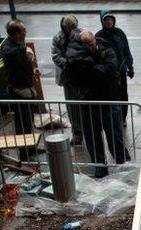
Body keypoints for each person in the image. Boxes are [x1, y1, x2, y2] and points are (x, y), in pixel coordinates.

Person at [65, 30, 130, 177]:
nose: (92, 47)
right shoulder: (75, 52)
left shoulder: (106, 48)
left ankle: (124, 164)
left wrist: (91, 70)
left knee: (116, 137)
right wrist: (98, 72)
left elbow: (110, 69)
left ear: (95, 39)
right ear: (83, 44)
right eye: (88, 45)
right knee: (93, 140)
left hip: (108, 101)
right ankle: (100, 167)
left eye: (93, 43)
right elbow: (76, 73)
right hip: (89, 103)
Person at [2, 19, 38, 141]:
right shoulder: (8, 46)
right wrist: (25, 49)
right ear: (17, 34)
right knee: (22, 121)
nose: (26, 31)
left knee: (29, 120)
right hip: (18, 90)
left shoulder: (20, 43)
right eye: (23, 30)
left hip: (26, 87)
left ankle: (30, 145)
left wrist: (32, 71)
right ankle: (24, 151)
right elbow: (8, 53)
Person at [96, 10, 134, 126]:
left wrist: (130, 66)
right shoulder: (98, 36)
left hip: (121, 70)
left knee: (123, 94)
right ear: (102, 22)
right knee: (110, 95)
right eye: (106, 20)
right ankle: (111, 117)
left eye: (111, 20)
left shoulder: (120, 33)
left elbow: (126, 50)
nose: (109, 22)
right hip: (107, 72)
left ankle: (122, 117)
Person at [51, 15, 82, 143]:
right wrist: (69, 65)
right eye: (71, 27)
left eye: (75, 27)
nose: (73, 29)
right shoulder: (58, 38)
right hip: (68, 77)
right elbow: (56, 56)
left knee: (85, 104)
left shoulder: (81, 35)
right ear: (64, 27)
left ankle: (88, 128)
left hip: (81, 76)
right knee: (72, 106)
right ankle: (77, 132)